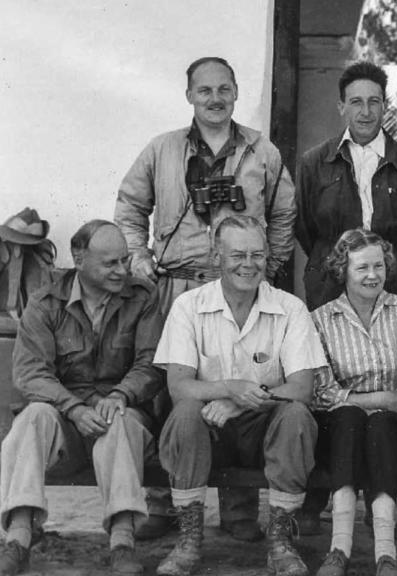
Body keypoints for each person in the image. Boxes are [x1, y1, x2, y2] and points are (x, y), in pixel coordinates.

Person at [114, 56, 295, 541]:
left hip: (239, 286)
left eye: (223, 89)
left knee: (240, 382)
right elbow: (130, 205)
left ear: (237, 92)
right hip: (177, 288)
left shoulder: (262, 151)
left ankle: (238, 512)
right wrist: (137, 257)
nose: (215, 99)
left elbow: (283, 214)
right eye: (204, 90)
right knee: (162, 393)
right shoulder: (162, 150)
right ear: (189, 95)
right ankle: (164, 501)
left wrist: (267, 269)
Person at [153, 216, 325, 576]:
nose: (249, 264)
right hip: (208, 432)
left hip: (264, 430)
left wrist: (238, 402)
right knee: (184, 413)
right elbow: (179, 386)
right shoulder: (189, 305)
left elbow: (302, 388)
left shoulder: (289, 308)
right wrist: (229, 387)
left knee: (296, 416)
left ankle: (280, 541)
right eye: (238, 255)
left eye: (258, 255)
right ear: (217, 256)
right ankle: (188, 541)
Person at [0, 221, 163, 576]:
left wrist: (121, 393)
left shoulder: (142, 298)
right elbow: (31, 373)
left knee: (119, 421)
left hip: (124, 421)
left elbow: (151, 364)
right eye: (110, 263)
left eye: (125, 260)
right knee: (33, 417)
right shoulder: (45, 303)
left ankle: (122, 542)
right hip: (67, 424)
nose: (122, 270)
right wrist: (72, 408)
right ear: (79, 259)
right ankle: (19, 537)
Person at [309, 229, 397, 576]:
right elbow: (320, 390)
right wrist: (375, 399)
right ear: (343, 269)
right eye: (362, 268)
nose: (372, 275)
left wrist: (391, 405)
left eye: (379, 266)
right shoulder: (321, 319)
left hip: (395, 422)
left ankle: (385, 553)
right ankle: (339, 547)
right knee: (348, 417)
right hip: (342, 424)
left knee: (380, 423)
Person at [296, 61, 397, 309]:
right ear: (341, 107)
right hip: (329, 287)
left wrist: (390, 264)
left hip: (393, 285)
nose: (365, 111)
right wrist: (335, 261)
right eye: (356, 102)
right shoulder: (314, 162)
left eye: (373, 101)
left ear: (384, 106)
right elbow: (306, 229)